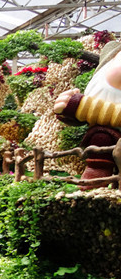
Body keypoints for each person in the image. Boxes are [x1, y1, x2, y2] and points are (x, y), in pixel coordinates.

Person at [53, 40, 121, 182]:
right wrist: (71, 107)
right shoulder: (111, 52)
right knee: (101, 138)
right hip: (103, 136)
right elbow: (85, 116)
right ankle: (96, 177)